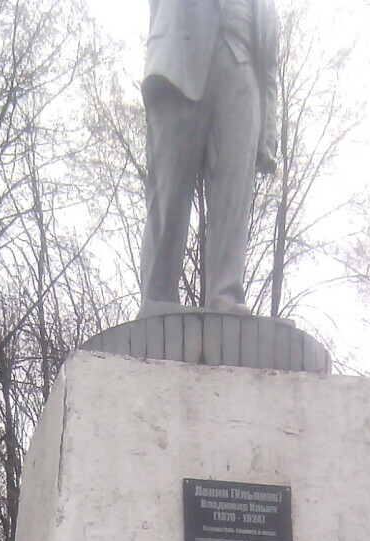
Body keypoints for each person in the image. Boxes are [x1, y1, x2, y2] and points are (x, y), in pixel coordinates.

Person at [139, 0, 278, 316]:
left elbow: (268, 67)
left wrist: (267, 132)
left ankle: (225, 296)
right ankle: (157, 298)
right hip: (180, 64)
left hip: (242, 76)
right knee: (168, 190)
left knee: (234, 195)